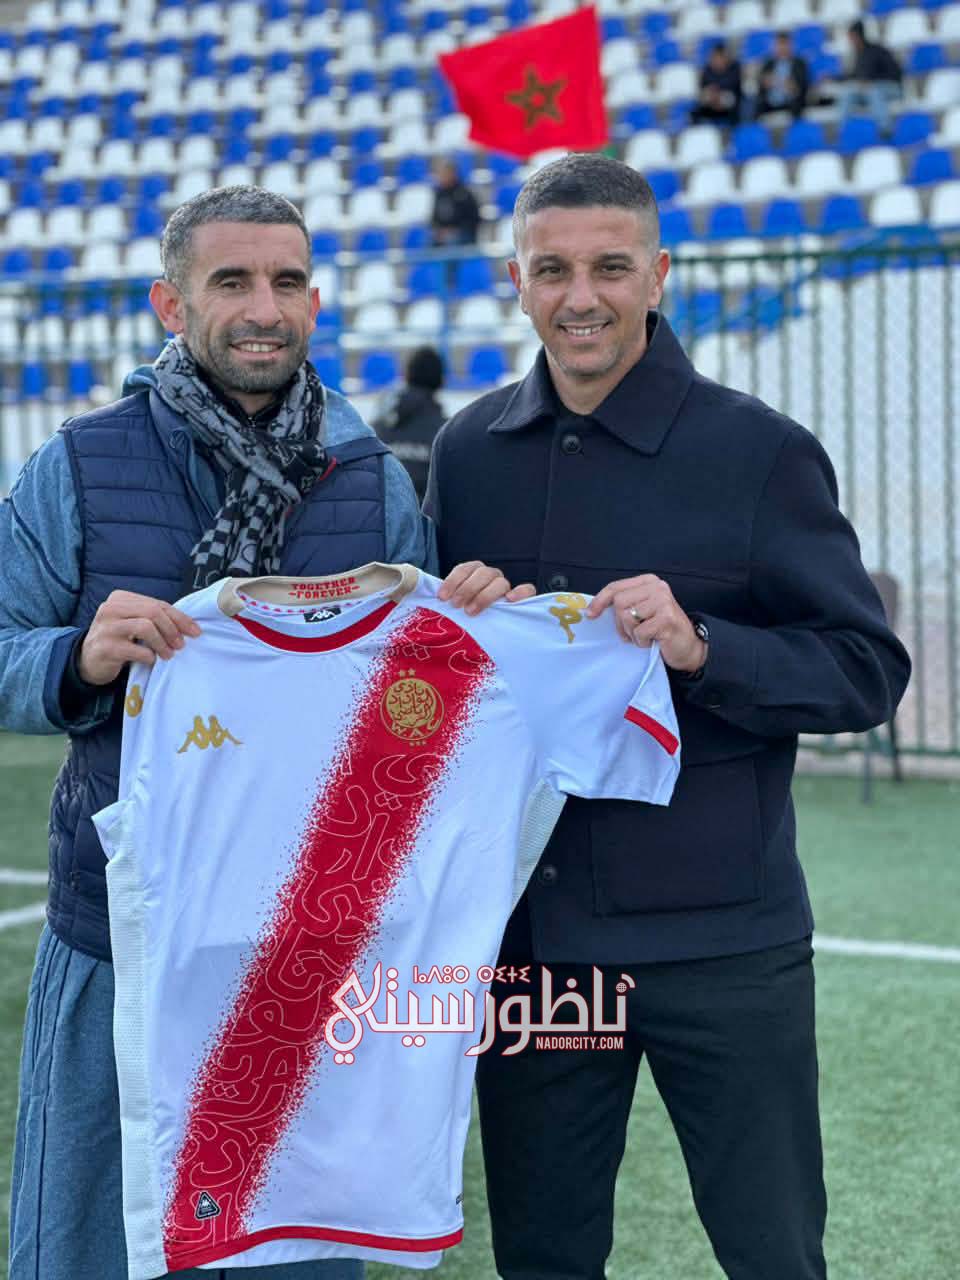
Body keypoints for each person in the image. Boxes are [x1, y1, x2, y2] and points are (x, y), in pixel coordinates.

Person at [0, 184, 515, 1280]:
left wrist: (474, 619)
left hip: (310, 952)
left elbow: (421, 699)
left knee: (293, 1255)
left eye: (287, 282)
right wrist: (74, 659)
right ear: (171, 303)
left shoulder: (371, 481)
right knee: (93, 1250)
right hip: (122, 935)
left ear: (316, 303)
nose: (263, 309)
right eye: (231, 281)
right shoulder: (80, 465)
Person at [424, 153, 911, 1280]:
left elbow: (864, 670)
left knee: (772, 1252)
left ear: (658, 276)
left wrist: (703, 646)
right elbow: (441, 700)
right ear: (515, 279)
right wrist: (454, 627)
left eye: (610, 266)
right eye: (552, 269)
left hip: (725, 943)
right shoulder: (466, 450)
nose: (580, 296)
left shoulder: (759, 450)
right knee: (542, 1256)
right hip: (538, 948)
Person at [371, 344, 446, 502]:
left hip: (379, 512)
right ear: (441, 381)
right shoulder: (446, 433)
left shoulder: (377, 428)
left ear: (406, 376)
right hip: (424, 515)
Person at [839, 19, 902, 136]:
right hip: (867, 91)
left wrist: (872, 82)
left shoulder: (878, 51)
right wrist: (833, 78)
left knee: (873, 91)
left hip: (891, 88)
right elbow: (854, 75)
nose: (850, 40)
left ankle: (885, 130)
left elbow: (895, 73)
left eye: (852, 37)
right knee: (847, 92)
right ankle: (843, 130)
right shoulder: (859, 54)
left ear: (858, 36)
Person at [756, 30, 810, 119]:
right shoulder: (768, 63)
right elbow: (762, 83)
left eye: (784, 44)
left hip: (792, 103)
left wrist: (777, 81)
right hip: (769, 103)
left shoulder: (799, 63)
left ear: (790, 45)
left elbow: (799, 87)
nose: (782, 47)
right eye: (779, 44)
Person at [430, 158, 481, 248]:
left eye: (445, 174)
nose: (442, 177)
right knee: (429, 238)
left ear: (453, 174)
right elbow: (435, 218)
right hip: (443, 234)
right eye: (441, 174)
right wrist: (438, 230)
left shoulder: (464, 194)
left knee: (451, 240)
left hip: (462, 234)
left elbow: (473, 219)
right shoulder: (439, 194)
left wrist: (454, 230)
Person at [691, 40, 743, 127]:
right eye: (714, 57)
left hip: (730, 100)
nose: (716, 60)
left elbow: (734, 86)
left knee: (729, 98)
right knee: (700, 102)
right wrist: (711, 93)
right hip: (711, 101)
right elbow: (703, 87)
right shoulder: (707, 69)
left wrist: (718, 93)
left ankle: (733, 128)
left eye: (719, 57)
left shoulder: (735, 67)